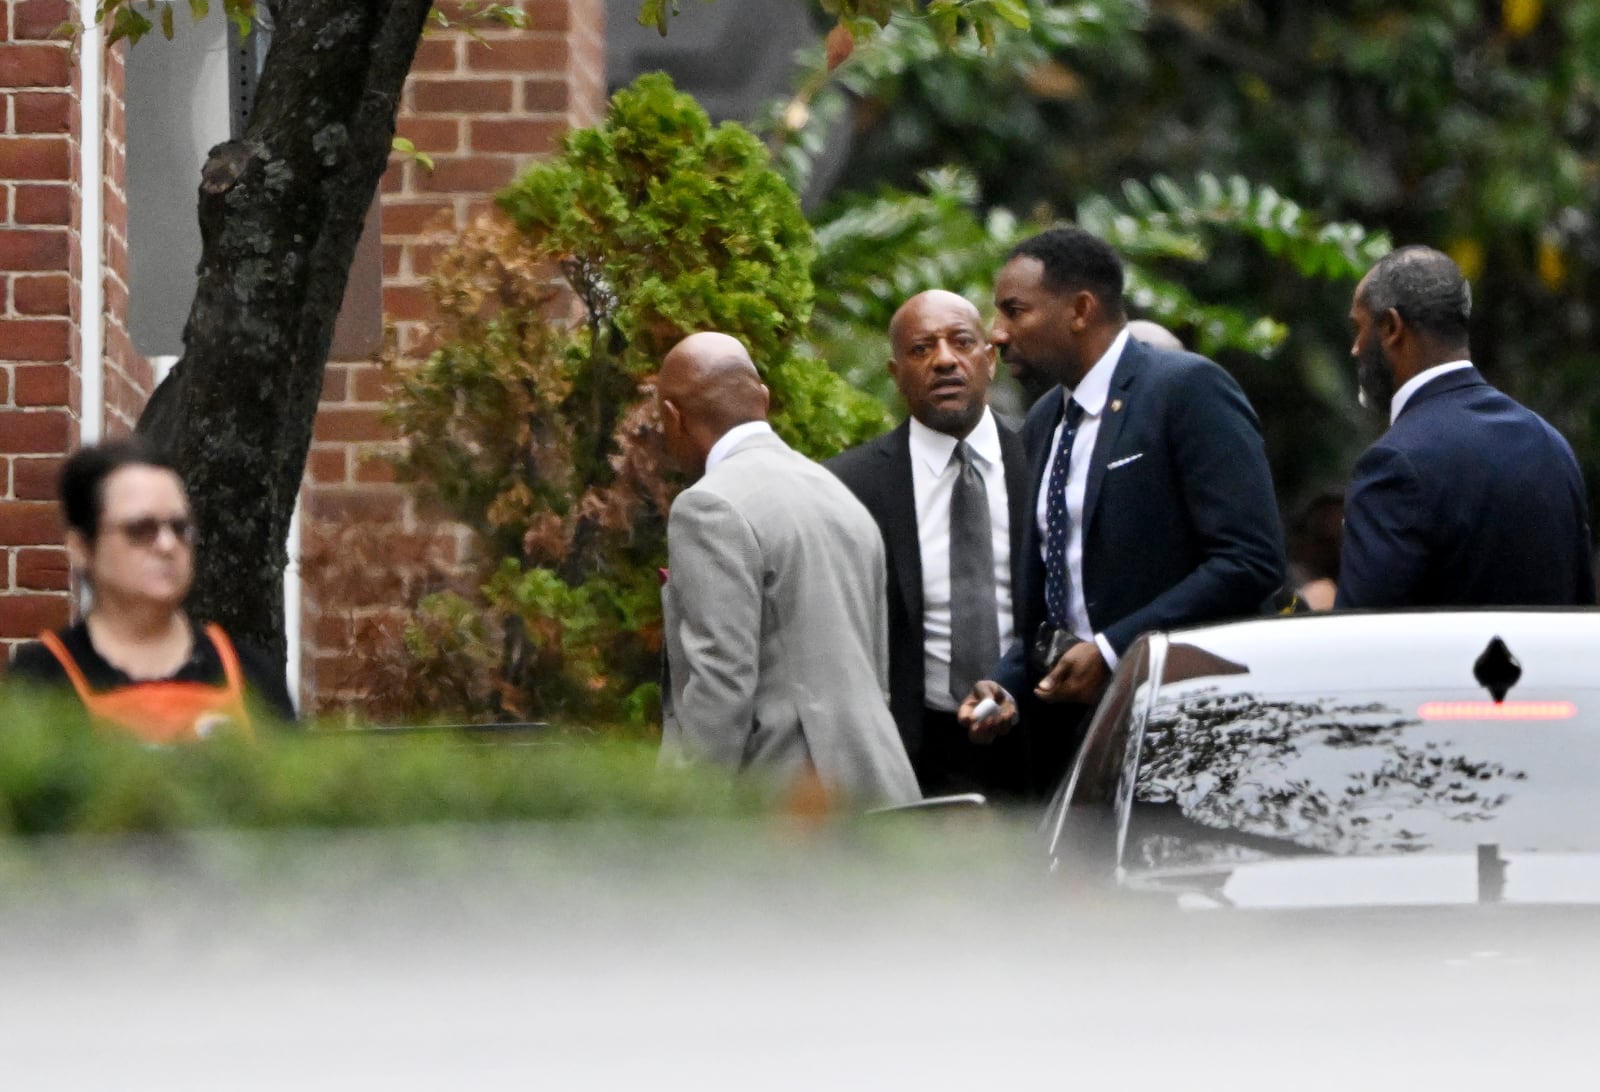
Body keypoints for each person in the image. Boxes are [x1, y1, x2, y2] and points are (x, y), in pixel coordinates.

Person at [959, 227, 1285, 792]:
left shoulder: (1186, 390)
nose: (998, 334)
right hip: (1070, 742)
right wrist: (1007, 684)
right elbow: (1055, 603)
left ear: (1080, 309)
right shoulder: (1044, 422)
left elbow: (1249, 560)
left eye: (1015, 311)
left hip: (1184, 728)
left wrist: (1114, 651)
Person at [655, 332, 920, 808]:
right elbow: (875, 670)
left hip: (788, 806)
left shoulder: (708, 505)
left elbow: (720, 682)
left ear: (673, 418)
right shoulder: (839, 495)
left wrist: (685, 810)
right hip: (879, 790)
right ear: (764, 398)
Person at [826, 290, 1031, 799]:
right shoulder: (850, 484)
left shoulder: (1042, 458)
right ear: (896, 375)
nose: (944, 360)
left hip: (1040, 739)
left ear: (989, 360)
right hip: (916, 754)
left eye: (961, 342)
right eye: (921, 349)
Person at [1337, 245, 1595, 607]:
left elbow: (1363, 641)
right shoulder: (1551, 445)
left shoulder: (1393, 465)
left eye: (1359, 328)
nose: (1355, 348)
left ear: (1392, 327)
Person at [6, 437, 296, 741]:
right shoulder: (40, 680)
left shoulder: (249, 675)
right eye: (140, 529)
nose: (167, 545)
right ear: (81, 548)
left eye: (180, 527)